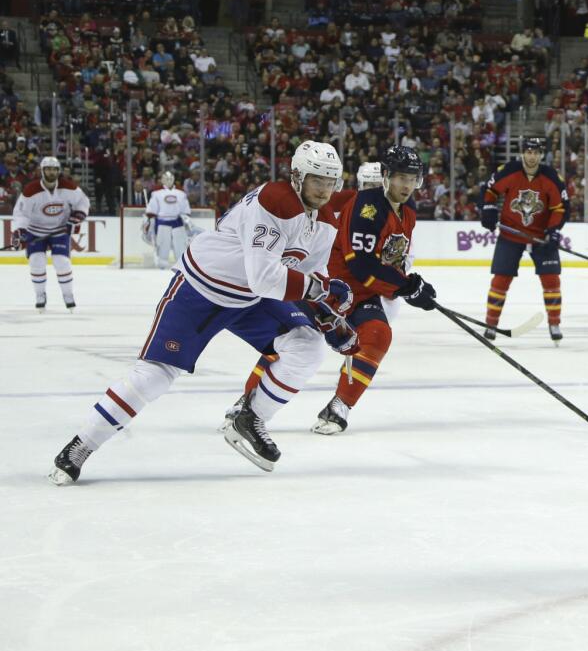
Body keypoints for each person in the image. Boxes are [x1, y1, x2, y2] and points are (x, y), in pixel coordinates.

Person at [48, 141, 355, 485]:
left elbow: (309, 272)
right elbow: (267, 277)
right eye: (318, 180)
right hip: (203, 289)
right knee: (155, 375)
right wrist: (322, 291)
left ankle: (250, 418)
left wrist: (327, 316)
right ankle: (81, 446)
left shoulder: (326, 219)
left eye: (331, 182)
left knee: (306, 345)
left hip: (251, 298)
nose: (325, 189)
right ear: (297, 176)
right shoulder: (276, 200)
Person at [237, 146, 437, 436]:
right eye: (400, 178)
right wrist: (404, 287)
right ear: (386, 176)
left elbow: (391, 256)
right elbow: (362, 264)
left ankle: (339, 406)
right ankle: (249, 401)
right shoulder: (366, 205)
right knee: (296, 337)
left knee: (378, 335)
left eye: (412, 179)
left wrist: (410, 284)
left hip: (362, 294)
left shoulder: (408, 211)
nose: (406, 185)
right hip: (326, 287)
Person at [479, 136, 569, 342]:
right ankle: (491, 324)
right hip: (510, 234)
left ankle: (554, 323)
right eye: (528, 152)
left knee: (551, 279)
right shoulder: (509, 171)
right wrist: (489, 208)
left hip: (541, 238)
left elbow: (560, 208)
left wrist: (554, 230)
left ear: (541, 154)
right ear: (522, 153)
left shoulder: (551, 177)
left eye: (536, 152)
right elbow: (490, 190)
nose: (532, 156)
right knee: (500, 280)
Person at [11, 157, 89, 312]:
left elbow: (83, 202)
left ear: (58, 171)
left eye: (54, 169)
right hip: (35, 231)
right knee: (36, 262)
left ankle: (68, 296)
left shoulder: (69, 187)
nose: (51, 172)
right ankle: (40, 296)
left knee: (61, 262)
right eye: (48, 169)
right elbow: (21, 213)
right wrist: (19, 231)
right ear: (42, 171)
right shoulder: (31, 190)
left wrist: (78, 215)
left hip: (59, 231)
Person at [142, 171, 194, 269]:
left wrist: (186, 219)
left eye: (170, 179)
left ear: (174, 179)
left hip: (177, 222)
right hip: (162, 222)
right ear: (162, 180)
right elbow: (151, 211)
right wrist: (149, 221)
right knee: (163, 244)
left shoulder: (181, 194)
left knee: (180, 245)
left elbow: (185, 211)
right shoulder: (156, 194)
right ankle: (162, 263)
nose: (168, 181)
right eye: (166, 179)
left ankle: (181, 264)